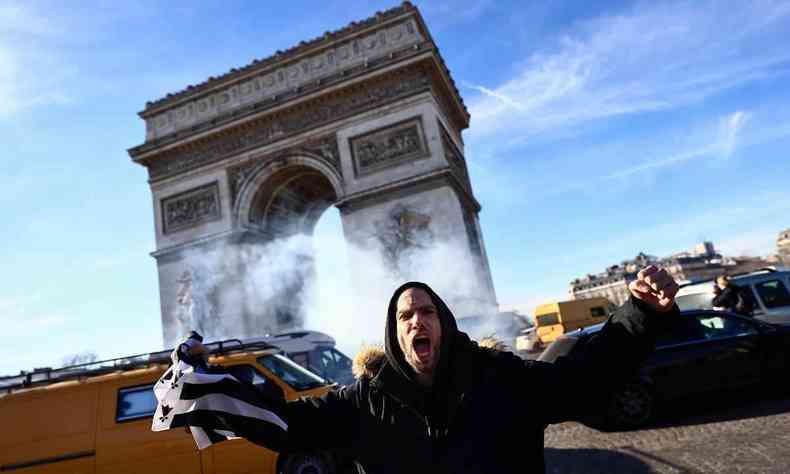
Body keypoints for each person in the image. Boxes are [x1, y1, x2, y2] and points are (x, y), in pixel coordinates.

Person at [171, 265, 679, 474]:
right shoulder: (360, 402)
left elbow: (582, 377)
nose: (417, 320)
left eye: (427, 311)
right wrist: (204, 388)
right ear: (393, 335)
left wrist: (641, 312)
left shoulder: (502, 378)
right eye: (405, 315)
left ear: (445, 321)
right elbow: (288, 424)